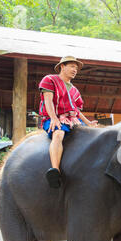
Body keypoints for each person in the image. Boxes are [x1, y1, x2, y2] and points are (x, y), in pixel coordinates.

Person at [38, 56, 98, 188]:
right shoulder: (50, 80)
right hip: (54, 117)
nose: (75, 70)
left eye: (76, 68)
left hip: (72, 120)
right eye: (72, 66)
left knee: (90, 136)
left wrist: (88, 123)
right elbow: (48, 100)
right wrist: (54, 118)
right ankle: (55, 170)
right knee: (58, 133)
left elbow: (76, 110)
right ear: (62, 67)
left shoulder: (74, 90)